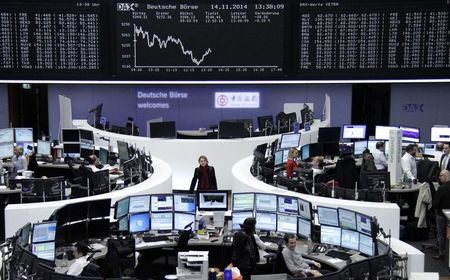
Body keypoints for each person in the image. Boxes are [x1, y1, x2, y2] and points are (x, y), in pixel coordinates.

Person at [432, 170, 450, 260]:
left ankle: (441, 253)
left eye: (440, 176)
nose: (439, 177)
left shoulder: (442, 188)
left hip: (441, 214)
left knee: (441, 234)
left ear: (445, 177)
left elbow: (435, 203)